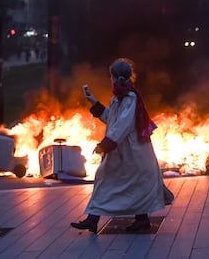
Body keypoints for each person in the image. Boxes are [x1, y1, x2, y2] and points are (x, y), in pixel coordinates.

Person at [71, 58, 173, 234]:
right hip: (128, 151)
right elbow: (112, 119)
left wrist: (106, 145)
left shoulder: (129, 98)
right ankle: (138, 220)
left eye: (110, 76)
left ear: (115, 77)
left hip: (131, 152)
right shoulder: (119, 98)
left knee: (107, 178)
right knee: (133, 183)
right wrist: (94, 103)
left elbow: (122, 125)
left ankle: (93, 219)